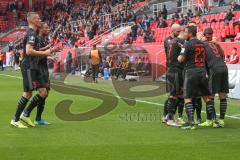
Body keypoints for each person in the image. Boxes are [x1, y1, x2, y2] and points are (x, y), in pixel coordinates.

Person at [10, 12, 58, 128]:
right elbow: (29, 51)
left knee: (43, 92)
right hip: (29, 66)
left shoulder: (33, 33)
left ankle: (26, 115)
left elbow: (33, 50)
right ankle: (15, 119)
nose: (39, 19)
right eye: (37, 18)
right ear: (32, 20)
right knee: (27, 93)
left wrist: (47, 53)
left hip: (33, 66)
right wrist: (45, 52)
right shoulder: (31, 33)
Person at [178, 26, 214, 130]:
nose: (184, 34)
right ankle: (211, 119)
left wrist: (180, 55)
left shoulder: (187, 44)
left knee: (187, 97)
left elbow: (180, 59)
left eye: (185, 32)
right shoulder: (202, 44)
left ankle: (191, 123)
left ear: (190, 33)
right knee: (206, 97)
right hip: (202, 72)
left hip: (191, 72)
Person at [199, 27, 229, 128]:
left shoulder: (202, 45)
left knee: (210, 96)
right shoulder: (215, 44)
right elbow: (223, 56)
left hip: (214, 69)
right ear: (212, 34)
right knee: (222, 95)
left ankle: (212, 120)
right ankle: (221, 120)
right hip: (224, 68)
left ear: (204, 35)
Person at [163, 24, 184, 126]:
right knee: (172, 94)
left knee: (178, 94)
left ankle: (169, 116)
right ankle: (167, 116)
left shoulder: (178, 41)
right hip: (173, 68)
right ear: (172, 31)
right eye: (178, 31)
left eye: (180, 31)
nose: (179, 33)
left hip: (176, 69)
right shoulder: (169, 41)